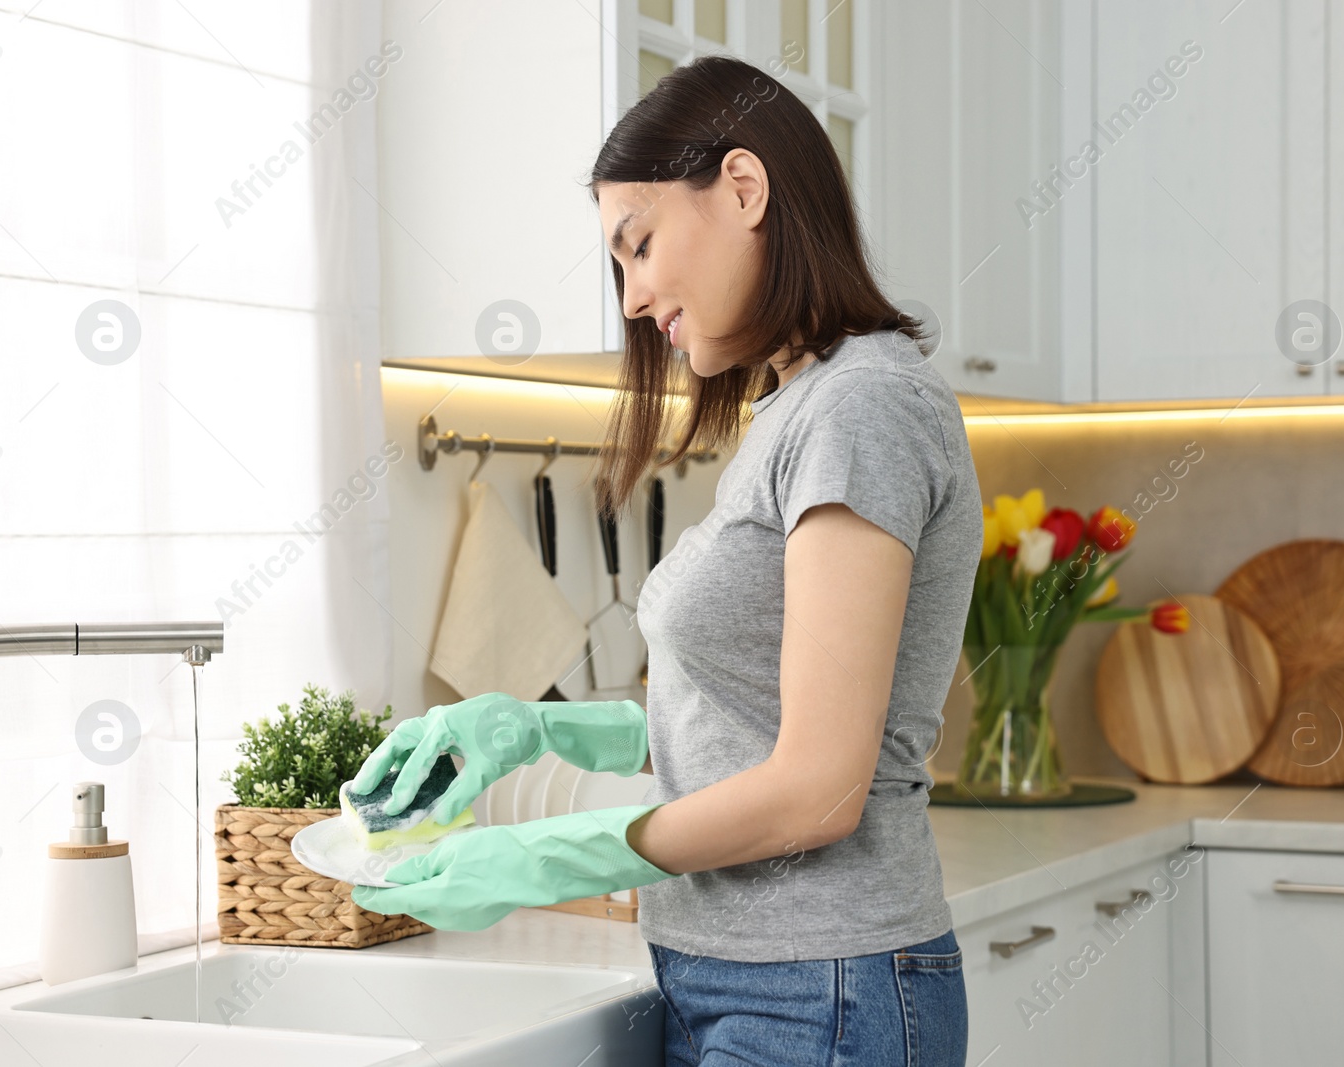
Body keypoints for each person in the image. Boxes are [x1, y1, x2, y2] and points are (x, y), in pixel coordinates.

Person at [352, 55, 981, 1066]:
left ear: (743, 188)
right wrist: (535, 729)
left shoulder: (860, 408)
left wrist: (550, 856)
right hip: (740, 977)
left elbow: (818, 784)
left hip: (818, 988)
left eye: (637, 246)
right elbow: (743, 719)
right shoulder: (795, 411)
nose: (634, 297)